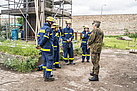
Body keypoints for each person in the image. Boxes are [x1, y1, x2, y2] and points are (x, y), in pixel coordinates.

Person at [37, 16, 54, 81]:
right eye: (52, 23)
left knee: (44, 63)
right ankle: (47, 76)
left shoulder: (42, 28)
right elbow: (46, 37)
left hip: (43, 49)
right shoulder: (48, 29)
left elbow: (38, 37)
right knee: (49, 62)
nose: (52, 24)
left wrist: (40, 45)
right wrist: (40, 44)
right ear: (49, 22)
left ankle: (45, 74)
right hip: (48, 49)